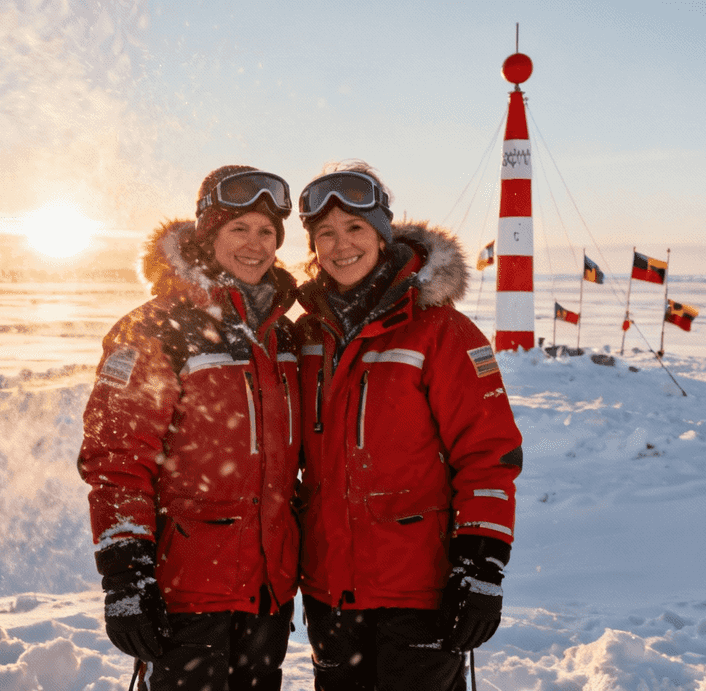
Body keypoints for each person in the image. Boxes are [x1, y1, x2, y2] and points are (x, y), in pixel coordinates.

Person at [295, 161, 524, 691]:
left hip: (420, 592)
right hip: (330, 592)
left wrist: (481, 567)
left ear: (381, 234)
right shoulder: (308, 333)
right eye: (324, 233)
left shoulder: (443, 332)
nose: (340, 245)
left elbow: (489, 453)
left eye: (354, 228)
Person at [77, 165, 302, 691]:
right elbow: (116, 460)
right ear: (208, 234)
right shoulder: (155, 328)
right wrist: (126, 578)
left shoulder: (284, 335)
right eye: (238, 229)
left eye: (267, 232)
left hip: (269, 591)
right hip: (186, 592)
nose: (255, 244)